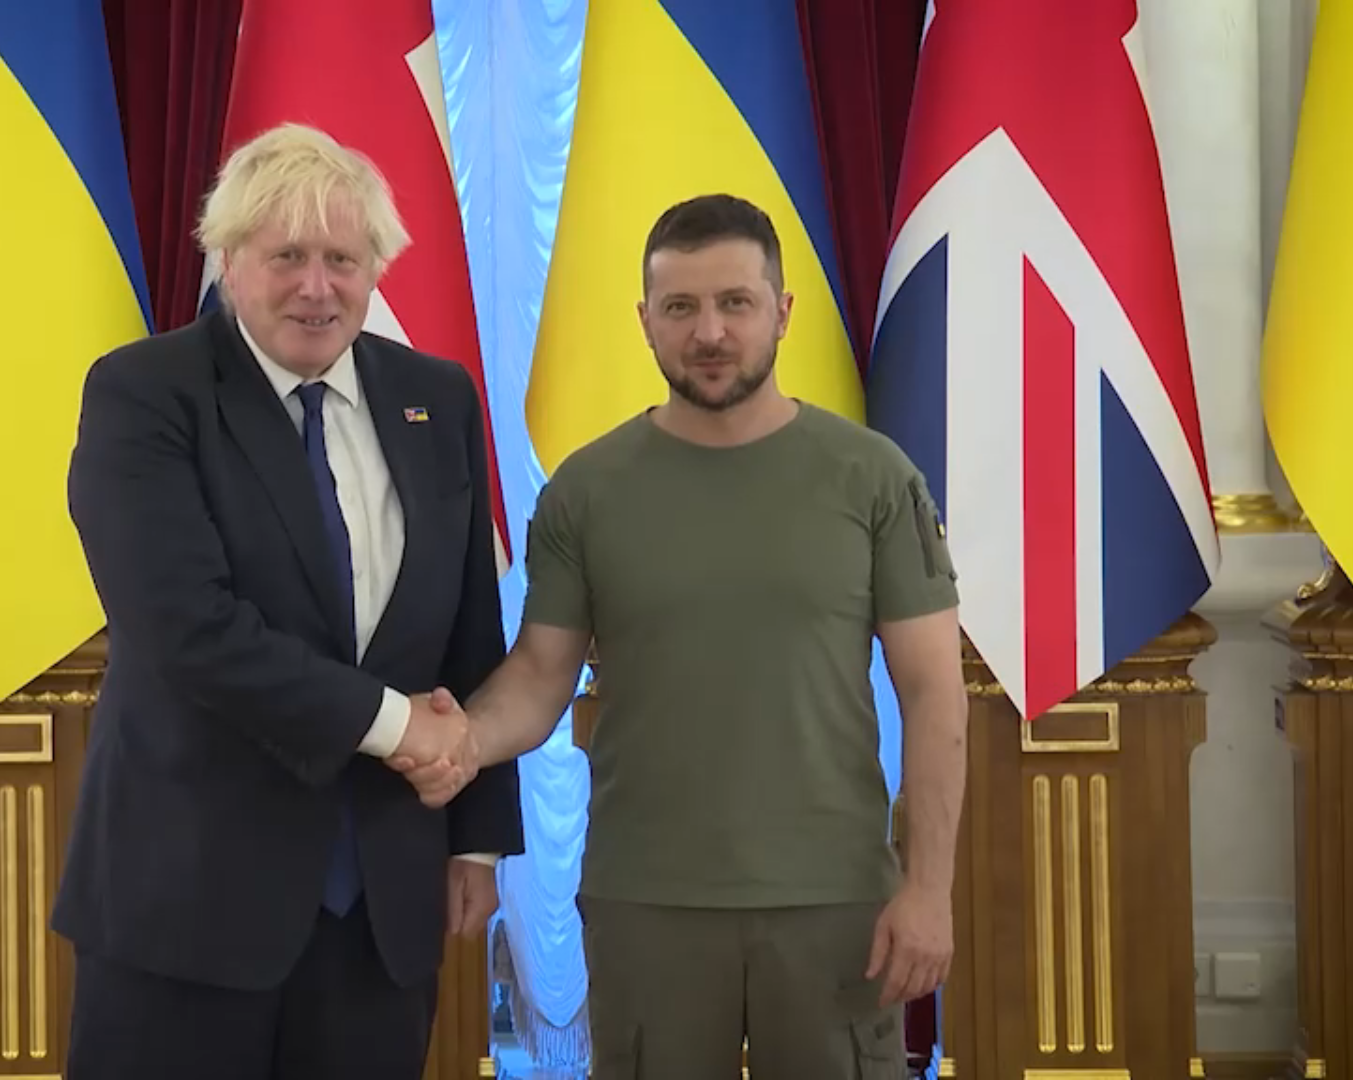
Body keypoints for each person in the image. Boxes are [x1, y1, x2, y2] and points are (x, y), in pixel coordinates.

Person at [395, 194, 968, 1079]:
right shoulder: (586, 491)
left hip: (834, 902)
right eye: (681, 307)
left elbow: (933, 693)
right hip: (645, 904)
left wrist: (928, 888)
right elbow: (540, 678)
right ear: (645, 321)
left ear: (782, 311)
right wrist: (455, 738)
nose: (710, 332)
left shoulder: (874, 479)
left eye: (736, 303)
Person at [52, 122, 525, 1080]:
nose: (317, 287)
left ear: (376, 268)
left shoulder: (437, 398)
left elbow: (469, 626)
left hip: (383, 907)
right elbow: (187, 630)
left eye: (342, 260)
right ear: (228, 261)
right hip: (187, 905)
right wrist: (400, 726)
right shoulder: (146, 392)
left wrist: (476, 842)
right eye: (287, 258)